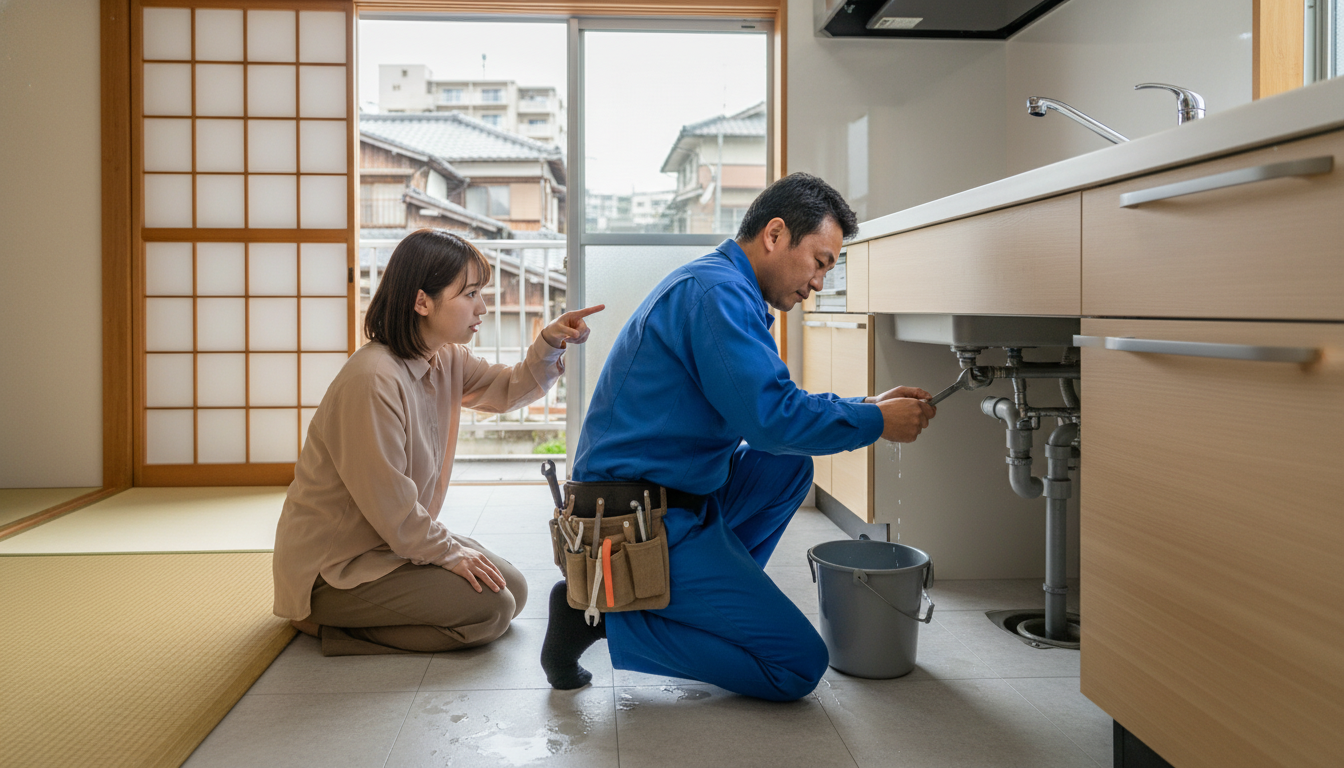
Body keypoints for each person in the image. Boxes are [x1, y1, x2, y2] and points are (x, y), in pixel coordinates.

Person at [540, 173, 936, 699]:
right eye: (819, 262)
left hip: (673, 499)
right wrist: (878, 422)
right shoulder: (716, 294)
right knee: (797, 666)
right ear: (774, 235)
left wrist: (868, 407)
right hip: (634, 522)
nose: (819, 282)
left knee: (788, 467)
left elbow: (772, 411)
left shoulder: (728, 289)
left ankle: (701, 599)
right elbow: (771, 419)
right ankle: (601, 620)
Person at [272, 229, 603, 656]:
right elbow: (392, 507)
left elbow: (506, 389)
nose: (482, 307)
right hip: (337, 569)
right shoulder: (372, 380)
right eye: (469, 294)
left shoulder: (444, 355)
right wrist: (448, 553)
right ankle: (326, 626)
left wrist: (550, 341)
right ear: (421, 301)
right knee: (492, 611)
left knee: (514, 590)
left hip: (390, 546)